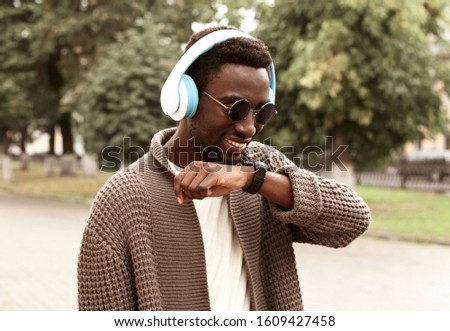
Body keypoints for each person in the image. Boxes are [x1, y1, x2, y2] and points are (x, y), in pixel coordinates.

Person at [77, 25, 371, 311]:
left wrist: (251, 178)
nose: (249, 128)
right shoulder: (121, 200)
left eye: (262, 112)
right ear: (186, 99)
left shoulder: (264, 167)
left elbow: (353, 218)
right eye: (236, 108)